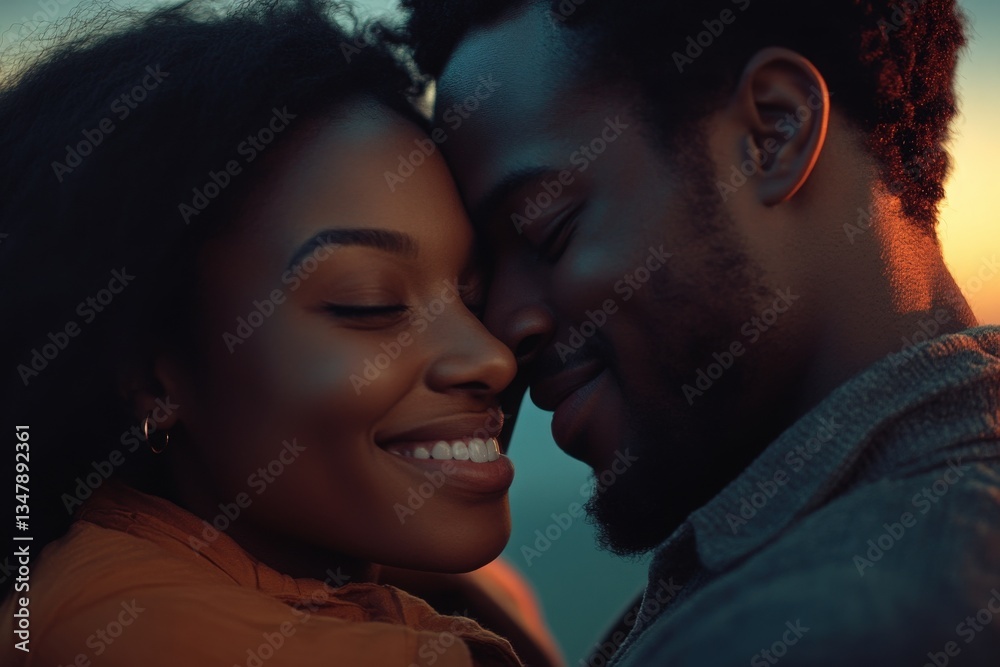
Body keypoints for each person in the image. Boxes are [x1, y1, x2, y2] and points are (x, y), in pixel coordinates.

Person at [397, 0, 1000, 664]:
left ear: (773, 131)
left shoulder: (833, 625)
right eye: (482, 277)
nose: (499, 331)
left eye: (549, 230)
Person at [0, 1, 562, 665]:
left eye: (473, 296)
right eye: (369, 303)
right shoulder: (128, 630)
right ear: (152, 377)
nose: (491, 356)